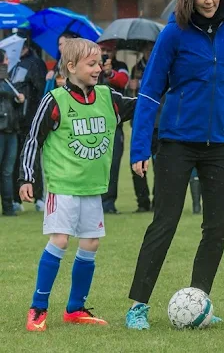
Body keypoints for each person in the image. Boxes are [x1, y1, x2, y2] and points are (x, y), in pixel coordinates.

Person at [125, 0, 224, 330]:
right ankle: (137, 306)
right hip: (177, 142)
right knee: (164, 222)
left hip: (223, 145)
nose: (209, 0)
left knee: (217, 227)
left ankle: (198, 303)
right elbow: (149, 92)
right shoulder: (173, 34)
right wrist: (139, 149)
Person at [19, 38, 136, 332]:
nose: (99, 68)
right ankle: (38, 308)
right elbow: (34, 138)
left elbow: (143, 107)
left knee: (91, 244)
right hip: (63, 186)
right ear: (71, 67)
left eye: (100, 63)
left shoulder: (109, 98)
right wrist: (27, 177)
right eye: (92, 64)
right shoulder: (55, 99)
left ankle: (74, 309)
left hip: (92, 187)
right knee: (59, 241)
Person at [11, 32, 48, 212]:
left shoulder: (35, 63)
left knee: (32, 159)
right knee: (15, 160)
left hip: (31, 118)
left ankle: (39, 196)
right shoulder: (12, 65)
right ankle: (15, 198)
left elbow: (40, 89)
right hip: (15, 120)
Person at [97, 41, 129, 214]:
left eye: (109, 50)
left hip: (114, 124)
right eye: (103, 50)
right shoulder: (92, 68)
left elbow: (123, 80)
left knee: (113, 164)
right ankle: (95, 202)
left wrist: (110, 73)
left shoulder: (121, 66)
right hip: (95, 124)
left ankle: (108, 203)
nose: (106, 53)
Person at [129, 42, 157, 212]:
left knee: (160, 166)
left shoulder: (162, 64)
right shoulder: (135, 68)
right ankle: (142, 201)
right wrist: (131, 87)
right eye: (146, 48)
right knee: (137, 163)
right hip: (140, 121)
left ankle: (158, 201)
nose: (149, 51)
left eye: (152, 48)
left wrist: (138, 85)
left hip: (158, 122)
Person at [0, 49, 26, 216]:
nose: (8, 61)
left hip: (11, 130)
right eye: (6, 58)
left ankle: (9, 207)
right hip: (1, 130)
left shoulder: (8, 81)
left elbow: (12, 106)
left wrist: (18, 100)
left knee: (8, 171)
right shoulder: (5, 83)